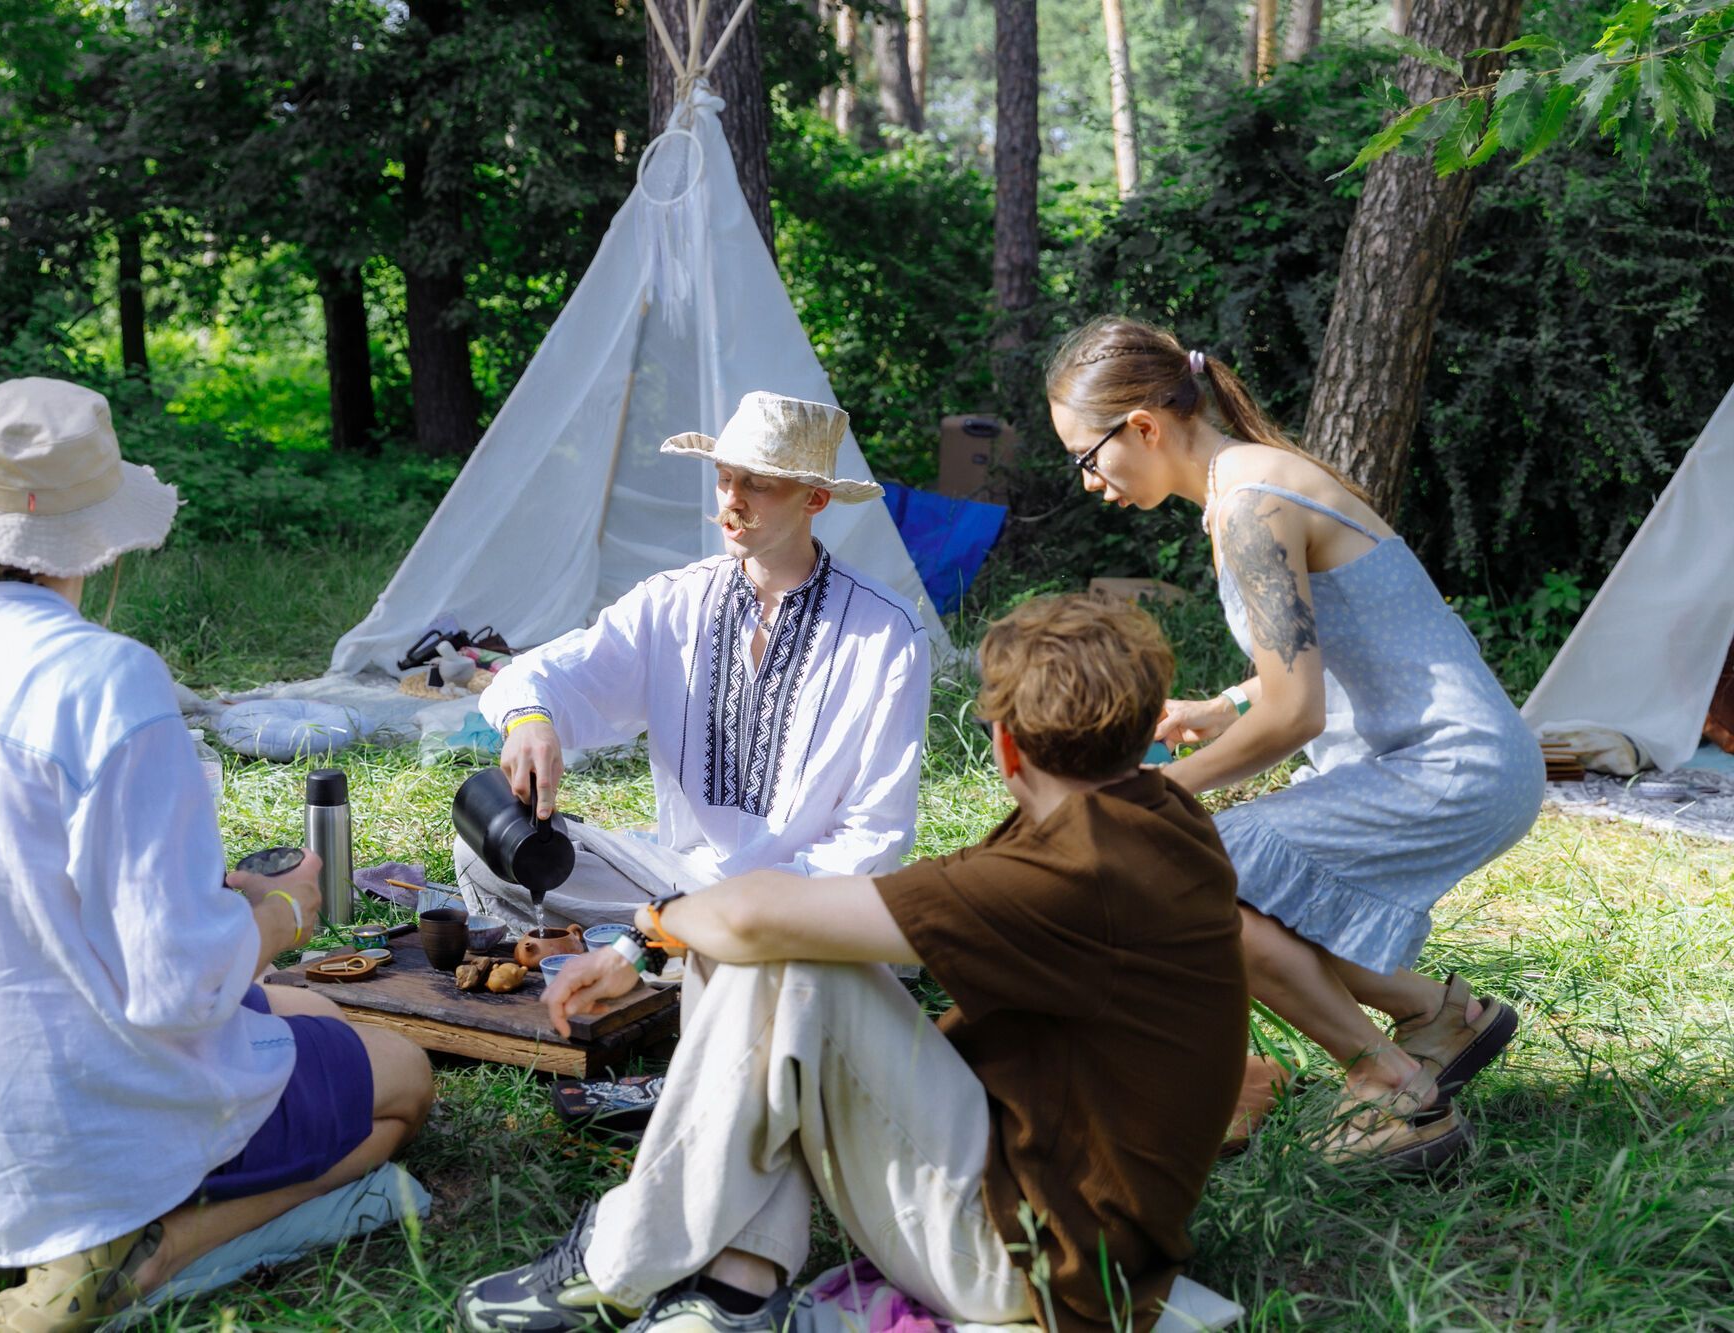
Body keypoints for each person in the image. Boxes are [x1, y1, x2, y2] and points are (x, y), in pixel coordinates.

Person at [0, 378, 435, 1331]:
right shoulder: (107, 678)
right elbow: (180, 989)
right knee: (402, 1075)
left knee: (314, 1018)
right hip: (107, 1132)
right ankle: (150, 1249)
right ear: (100, 539)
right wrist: (284, 912)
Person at [459, 593, 1249, 1333]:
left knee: (788, 957)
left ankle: (617, 1259)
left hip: (1035, 1264)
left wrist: (646, 930)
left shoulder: (1079, 869)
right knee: (779, 951)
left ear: (1005, 744)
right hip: (1062, 1205)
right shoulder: (1153, 812)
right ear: (1143, 726)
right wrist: (672, 934)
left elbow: (757, 914)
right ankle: (741, 1282)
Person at [1045, 317, 1542, 1167]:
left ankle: (1390, 1089)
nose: (1090, 484)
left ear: (1144, 427)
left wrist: (1156, 795)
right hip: (1455, 757)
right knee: (1252, 889)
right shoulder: (1251, 484)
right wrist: (1223, 706)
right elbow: (1333, 646)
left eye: (1086, 458)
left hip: (1448, 766)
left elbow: (1297, 715)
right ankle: (1442, 1017)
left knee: (1179, 868)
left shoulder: (1249, 504)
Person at [458, 390, 931, 932]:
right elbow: (538, 674)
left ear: (815, 500)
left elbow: (876, 832)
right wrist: (529, 720)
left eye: (757, 484)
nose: (731, 500)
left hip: (806, 899)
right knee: (488, 844)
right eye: (726, 477)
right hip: (680, 881)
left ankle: (670, 942)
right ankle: (675, 938)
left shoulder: (886, 631)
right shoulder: (673, 602)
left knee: (818, 926)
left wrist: (759, 907)